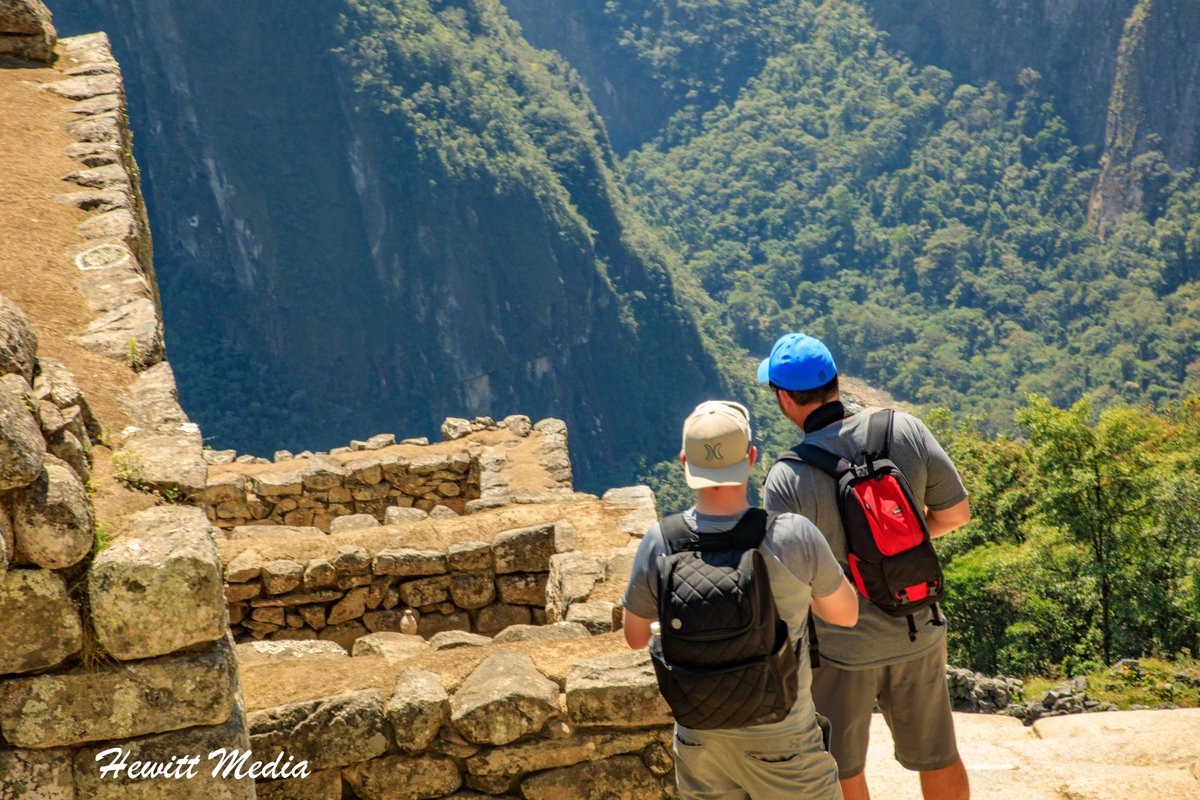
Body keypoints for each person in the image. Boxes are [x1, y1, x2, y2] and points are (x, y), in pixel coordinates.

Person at [757, 333, 972, 800]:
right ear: (835, 381)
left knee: (843, 767)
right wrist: (895, 550)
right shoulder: (906, 430)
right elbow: (956, 515)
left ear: (785, 398)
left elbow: (789, 586)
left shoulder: (786, 478)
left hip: (840, 649)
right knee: (938, 755)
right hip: (918, 627)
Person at [622, 399, 860, 800]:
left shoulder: (658, 541)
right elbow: (846, 614)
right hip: (783, 738)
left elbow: (634, 636)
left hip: (701, 739)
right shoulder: (792, 535)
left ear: (684, 462)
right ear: (751, 458)